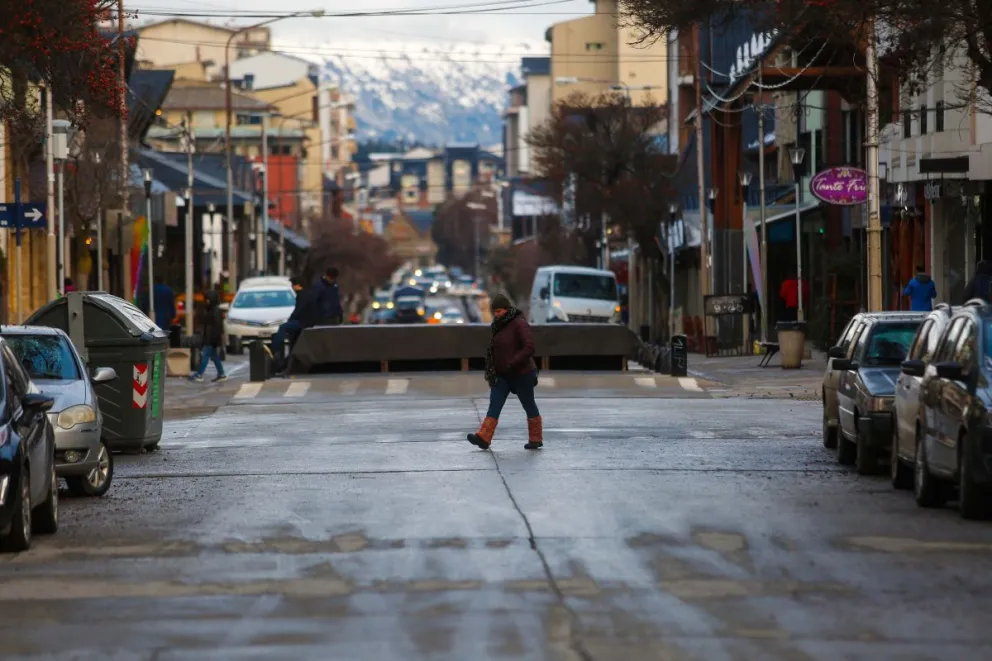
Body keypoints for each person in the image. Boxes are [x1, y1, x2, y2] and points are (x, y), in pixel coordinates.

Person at [467, 293, 543, 451]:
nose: (496, 314)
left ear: (507, 309)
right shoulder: (498, 325)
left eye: (499, 311)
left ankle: (536, 438)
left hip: (521, 374)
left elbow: (529, 347)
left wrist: (512, 363)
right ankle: (483, 437)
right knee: (494, 404)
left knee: (528, 404)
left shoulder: (519, 323)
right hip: (502, 375)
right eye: (494, 311)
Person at [271, 277, 315, 373]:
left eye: (293, 285)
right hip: (306, 321)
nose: (292, 288)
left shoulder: (302, 295)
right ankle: (285, 363)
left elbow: (297, 311)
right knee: (291, 337)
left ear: (297, 285)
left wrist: (289, 321)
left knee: (283, 327)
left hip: (304, 322)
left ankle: (275, 348)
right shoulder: (307, 294)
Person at [188, 289, 226, 383]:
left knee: (205, 355)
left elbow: (217, 326)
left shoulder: (215, 311)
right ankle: (221, 374)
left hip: (211, 338)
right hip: (210, 338)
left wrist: (214, 339)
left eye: (208, 299)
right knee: (214, 356)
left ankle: (199, 374)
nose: (207, 301)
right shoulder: (212, 310)